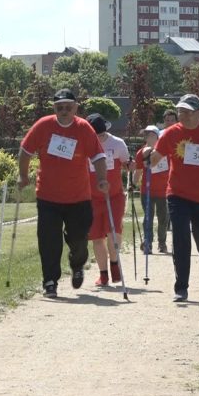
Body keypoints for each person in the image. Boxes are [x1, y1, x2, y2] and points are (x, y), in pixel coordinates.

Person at [18, 89, 108, 298]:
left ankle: (77, 265)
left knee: (78, 240)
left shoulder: (84, 128)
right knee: (49, 240)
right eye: (60, 107)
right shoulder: (43, 126)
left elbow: (98, 156)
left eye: (68, 107)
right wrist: (23, 176)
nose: (64, 111)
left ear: (75, 108)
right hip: (48, 197)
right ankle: (50, 281)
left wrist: (102, 179)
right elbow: (25, 150)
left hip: (78, 197)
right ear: (54, 109)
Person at [146, 94, 199, 302]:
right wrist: (148, 156)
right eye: (180, 111)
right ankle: (181, 287)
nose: (182, 115)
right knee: (180, 238)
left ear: (198, 112)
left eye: (187, 112)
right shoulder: (170, 133)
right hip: (177, 194)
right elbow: (155, 159)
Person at [85, 113, 131, 287]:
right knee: (97, 237)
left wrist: (130, 165)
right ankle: (103, 274)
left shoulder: (117, 144)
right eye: (96, 136)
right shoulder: (84, 145)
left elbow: (126, 164)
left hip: (114, 196)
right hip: (92, 198)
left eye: (102, 135)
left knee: (114, 233)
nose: (99, 139)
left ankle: (114, 263)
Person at [134, 125, 169, 254]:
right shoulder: (141, 153)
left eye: (152, 135)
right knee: (148, 218)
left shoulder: (166, 151)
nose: (149, 137)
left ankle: (162, 243)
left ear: (158, 137)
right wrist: (133, 184)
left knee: (163, 218)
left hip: (163, 191)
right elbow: (138, 171)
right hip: (147, 191)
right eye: (147, 135)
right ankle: (147, 242)